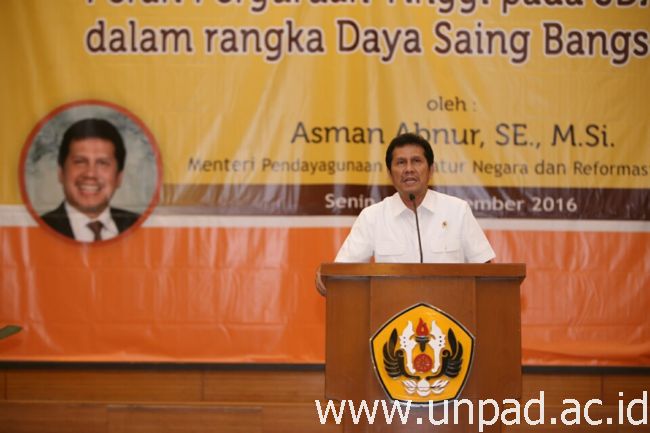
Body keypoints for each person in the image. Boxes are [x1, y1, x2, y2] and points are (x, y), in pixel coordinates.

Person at [334, 132, 495, 263]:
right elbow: (343, 270)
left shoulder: (458, 211)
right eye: (401, 162)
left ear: (431, 170)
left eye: (416, 161)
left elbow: (486, 269)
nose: (409, 169)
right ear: (390, 174)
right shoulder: (372, 217)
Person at [40, 118, 140, 242]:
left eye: (102, 163)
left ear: (119, 177)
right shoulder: (37, 229)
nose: (90, 174)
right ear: (61, 172)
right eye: (80, 162)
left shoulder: (142, 227)